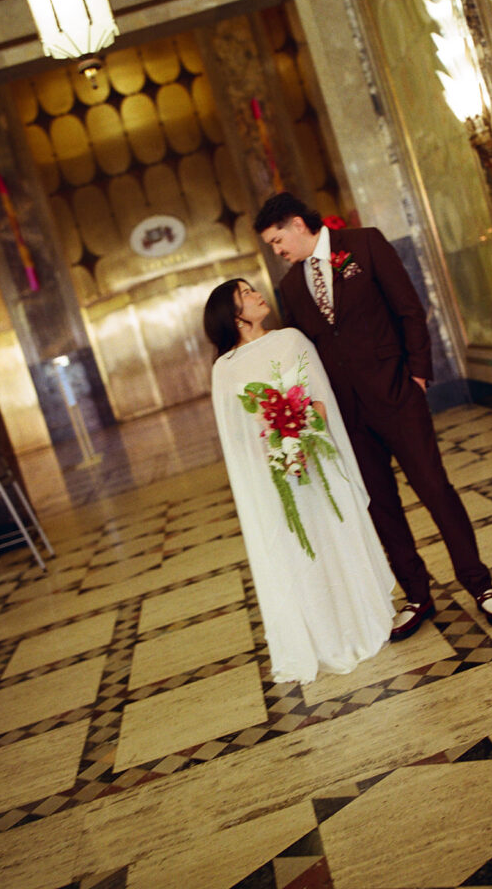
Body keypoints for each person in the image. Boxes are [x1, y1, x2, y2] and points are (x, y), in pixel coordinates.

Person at [253, 192, 492, 640]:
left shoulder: (365, 244)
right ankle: (417, 594)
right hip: (345, 413)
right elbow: (306, 353)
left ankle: (480, 584)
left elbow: (410, 309)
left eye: (278, 240)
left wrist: (417, 376)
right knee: (381, 506)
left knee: (435, 489)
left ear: (298, 224)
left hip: (397, 394)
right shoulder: (292, 286)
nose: (277, 251)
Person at [204, 277, 395, 684]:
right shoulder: (225, 369)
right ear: (234, 314)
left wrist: (305, 429)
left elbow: (323, 397)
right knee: (300, 549)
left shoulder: (292, 339)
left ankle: (362, 617)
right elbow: (235, 439)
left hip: (319, 460)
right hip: (275, 477)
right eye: (246, 294)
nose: (257, 295)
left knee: (335, 534)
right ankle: (321, 633)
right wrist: (276, 452)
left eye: (253, 288)